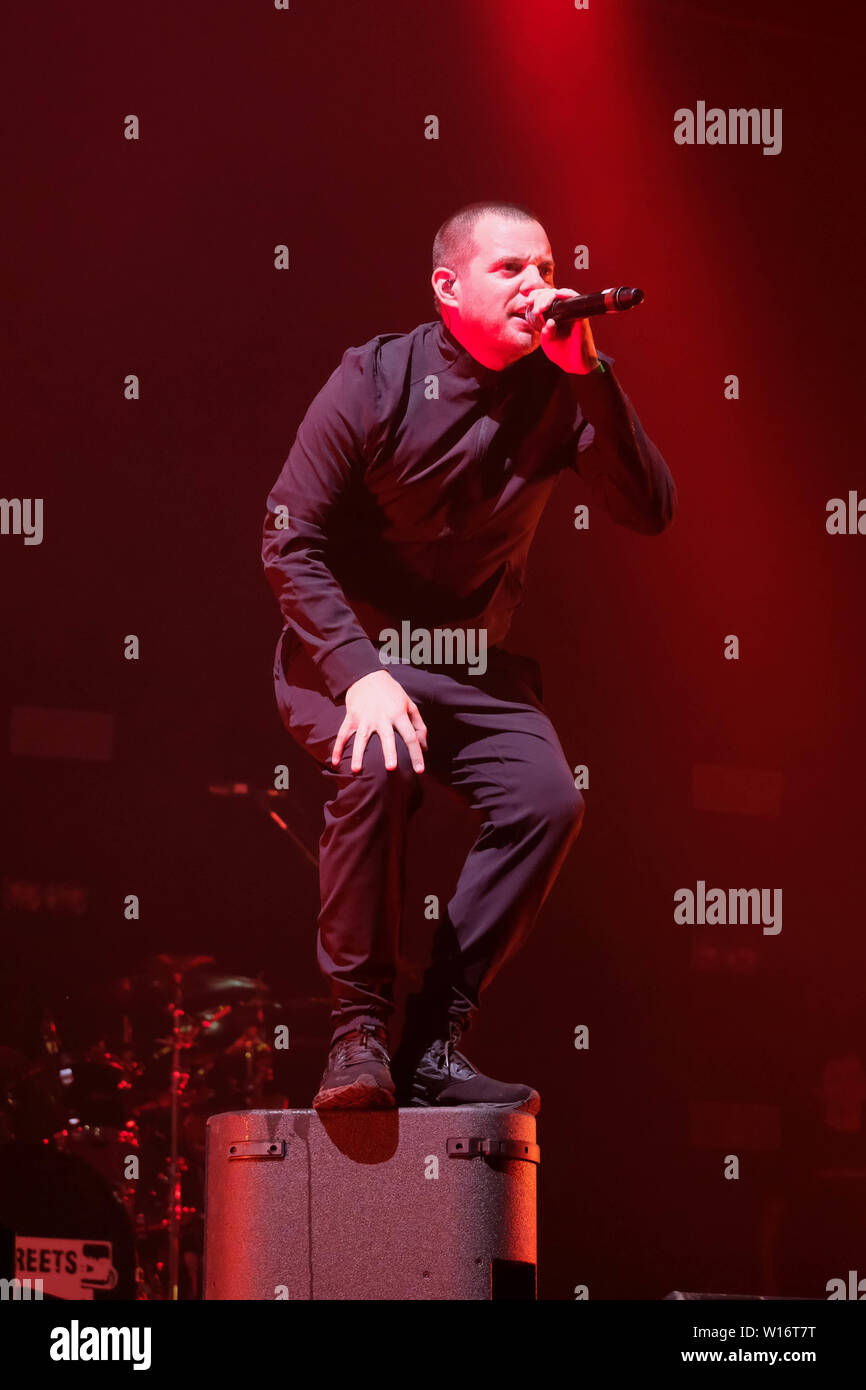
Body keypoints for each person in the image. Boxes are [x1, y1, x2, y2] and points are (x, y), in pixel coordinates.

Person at [261, 200, 677, 1112]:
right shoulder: (373, 378)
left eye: (546, 265)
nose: (538, 286)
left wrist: (593, 373)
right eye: (512, 270)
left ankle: (431, 1039)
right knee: (379, 762)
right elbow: (288, 538)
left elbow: (647, 509)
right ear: (448, 288)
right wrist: (360, 673)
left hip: (468, 663)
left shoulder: (561, 385)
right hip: (351, 655)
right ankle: (357, 1033)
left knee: (548, 800)